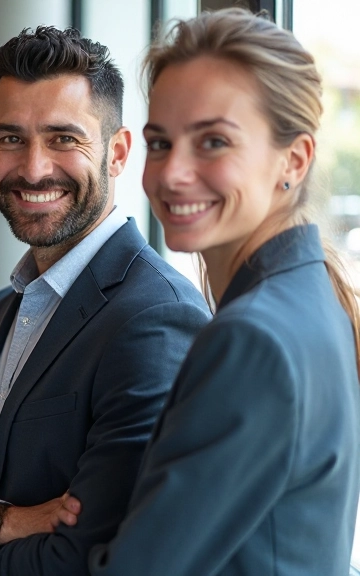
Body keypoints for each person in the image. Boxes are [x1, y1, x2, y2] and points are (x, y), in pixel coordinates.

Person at [0, 27, 211, 575]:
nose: (33, 169)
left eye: (63, 139)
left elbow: (88, 560)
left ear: (117, 152)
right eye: (10, 138)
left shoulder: (156, 319)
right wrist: (0, 522)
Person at [89, 9, 360, 575]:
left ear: (294, 159)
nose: (172, 174)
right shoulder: (314, 298)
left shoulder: (253, 337)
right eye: (160, 143)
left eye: (213, 142)